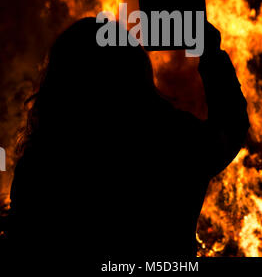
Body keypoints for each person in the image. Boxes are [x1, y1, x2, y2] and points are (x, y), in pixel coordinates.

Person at [5, 18, 249, 269]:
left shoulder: (43, 162)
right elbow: (230, 128)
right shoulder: (173, 142)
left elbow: (20, 247)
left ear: (60, 80)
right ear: (137, 70)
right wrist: (211, 54)